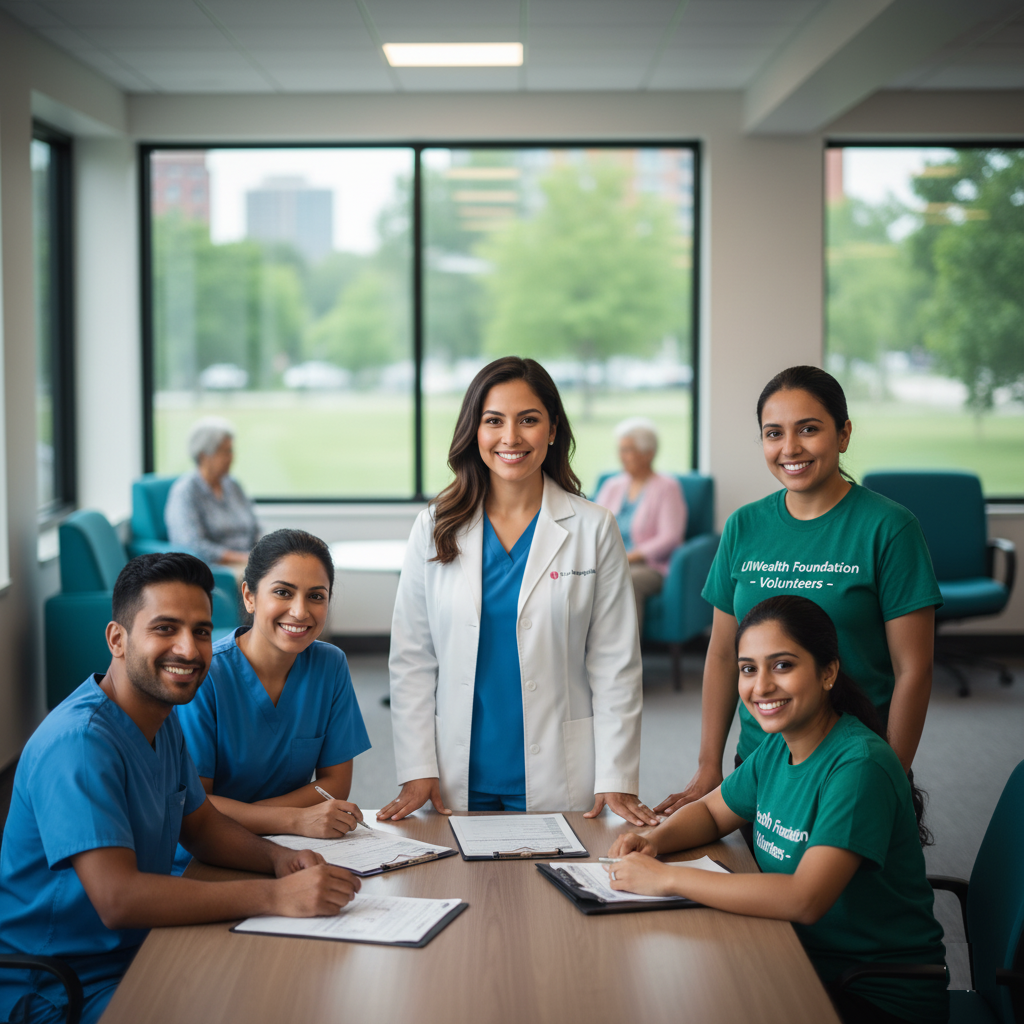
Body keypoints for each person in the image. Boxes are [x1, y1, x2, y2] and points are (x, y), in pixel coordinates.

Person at [0, 553, 360, 1024]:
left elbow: (204, 827)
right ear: (117, 639)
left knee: (293, 987)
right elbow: (118, 899)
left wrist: (279, 861)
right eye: (165, 629)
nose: (189, 650)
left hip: (143, 946)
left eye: (203, 631)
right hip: (62, 985)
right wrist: (275, 896)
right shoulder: (80, 744)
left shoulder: (158, 719)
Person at [607, 596, 948, 1024]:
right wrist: (652, 841)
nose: (761, 686)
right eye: (749, 668)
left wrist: (668, 878)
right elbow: (713, 813)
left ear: (828, 672)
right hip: (792, 954)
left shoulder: (858, 767)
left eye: (782, 665)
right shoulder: (778, 746)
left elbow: (806, 899)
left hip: (871, 993)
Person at [380, 356, 656, 826]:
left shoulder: (593, 528)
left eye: (528, 420)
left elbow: (615, 664)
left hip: (561, 770)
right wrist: (417, 766)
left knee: (557, 896)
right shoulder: (434, 526)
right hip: (456, 768)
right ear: (476, 431)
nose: (511, 437)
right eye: (494, 421)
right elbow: (412, 657)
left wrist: (616, 773)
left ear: (552, 431)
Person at [657, 365, 941, 816]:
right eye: (774, 433)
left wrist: (887, 774)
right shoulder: (744, 526)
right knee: (751, 881)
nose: (790, 448)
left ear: (843, 434)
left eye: (808, 429)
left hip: (850, 767)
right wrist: (709, 765)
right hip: (759, 765)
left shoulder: (889, 527)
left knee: (828, 888)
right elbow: (722, 654)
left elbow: (914, 671)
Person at [174, 529, 370, 874]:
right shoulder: (206, 674)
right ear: (249, 596)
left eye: (316, 596)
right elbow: (196, 805)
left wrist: (265, 820)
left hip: (293, 847)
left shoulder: (330, 665)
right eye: (283, 592)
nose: (300, 611)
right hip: (204, 853)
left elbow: (335, 785)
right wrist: (293, 819)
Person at [594, 417, 687, 634]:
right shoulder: (612, 485)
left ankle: (626, 660)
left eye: (628, 450)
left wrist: (631, 557)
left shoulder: (667, 487)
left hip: (648, 566)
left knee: (628, 579)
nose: (621, 456)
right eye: (621, 449)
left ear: (648, 453)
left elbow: (670, 537)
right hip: (609, 559)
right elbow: (593, 525)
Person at [165, 416, 260, 571]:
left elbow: (255, 528)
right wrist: (243, 559)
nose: (231, 457)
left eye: (232, 450)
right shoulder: (185, 491)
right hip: (218, 568)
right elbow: (192, 545)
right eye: (225, 451)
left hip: (250, 561)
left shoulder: (233, 485)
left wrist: (263, 554)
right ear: (204, 456)